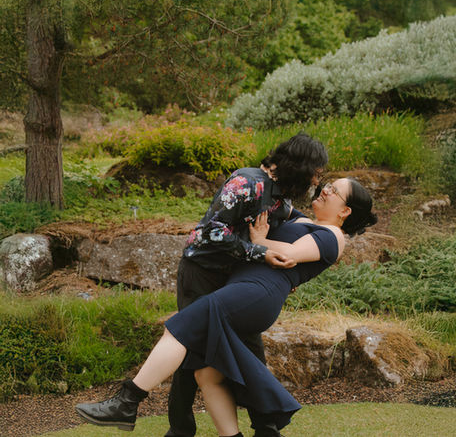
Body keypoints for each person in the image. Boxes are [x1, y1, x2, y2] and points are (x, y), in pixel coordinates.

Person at [76, 177, 377, 436]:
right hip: (243, 289)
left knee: (179, 328)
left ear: (345, 211)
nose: (325, 190)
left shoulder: (334, 237)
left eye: (334, 191)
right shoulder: (301, 220)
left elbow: (290, 254)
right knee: (207, 374)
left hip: (257, 292)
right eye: (328, 184)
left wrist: (260, 240)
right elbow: (269, 203)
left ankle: (127, 401)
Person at [166, 133, 328, 437]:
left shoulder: (282, 194)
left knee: (252, 348)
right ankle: (180, 430)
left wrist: (288, 268)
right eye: (315, 173)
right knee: (191, 346)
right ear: (300, 167)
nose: (316, 181)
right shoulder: (246, 183)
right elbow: (210, 232)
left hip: (236, 277)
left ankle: (266, 428)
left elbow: (288, 220)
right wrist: (261, 253)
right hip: (201, 272)